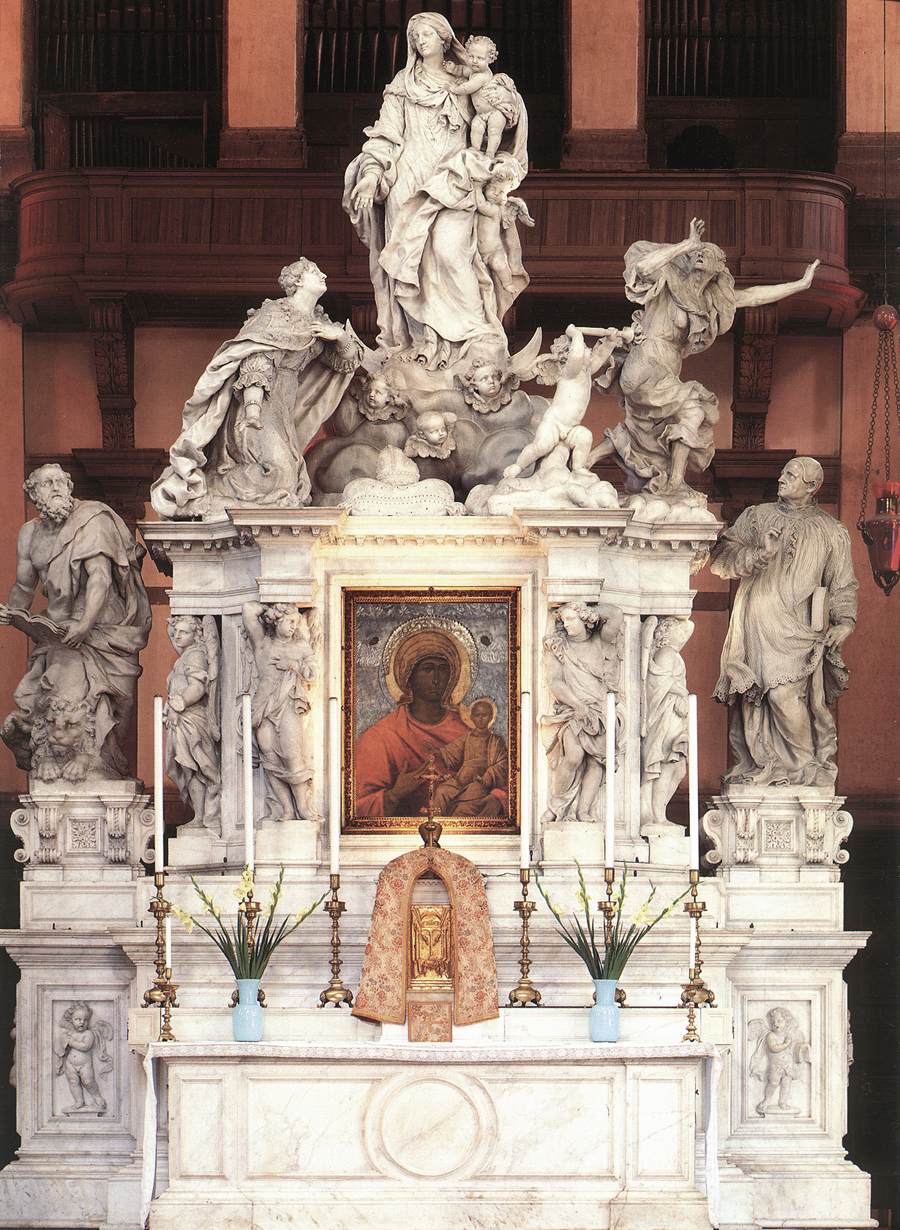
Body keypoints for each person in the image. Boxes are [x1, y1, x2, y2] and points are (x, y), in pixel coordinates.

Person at [343, 13, 528, 366]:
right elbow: (384, 136)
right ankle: (422, 345)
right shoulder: (402, 85)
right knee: (411, 265)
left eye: (427, 34)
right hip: (408, 181)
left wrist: (505, 103)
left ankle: (475, 337)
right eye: (415, 36)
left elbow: (503, 115)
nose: (420, 40)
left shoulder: (467, 79)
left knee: (450, 252)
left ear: (444, 39)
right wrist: (370, 175)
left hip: (453, 177)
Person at [588, 217, 820, 495]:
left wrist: (800, 284)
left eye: (707, 253)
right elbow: (643, 268)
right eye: (697, 251)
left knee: (646, 429)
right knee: (694, 406)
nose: (699, 254)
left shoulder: (708, 301)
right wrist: (686, 243)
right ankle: (675, 482)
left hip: (665, 370)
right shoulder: (668, 280)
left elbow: (753, 296)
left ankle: (588, 461)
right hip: (645, 364)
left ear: (719, 267)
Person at [151, 258, 362, 519]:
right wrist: (252, 411)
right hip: (259, 403)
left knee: (288, 475)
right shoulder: (274, 315)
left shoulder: (318, 321)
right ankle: (210, 491)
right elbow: (256, 360)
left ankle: (217, 491)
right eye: (315, 271)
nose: (324, 275)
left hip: (285, 407)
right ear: (298, 281)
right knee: (279, 474)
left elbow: (344, 362)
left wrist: (339, 336)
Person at [711, 456, 857, 787]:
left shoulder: (832, 531)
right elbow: (719, 561)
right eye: (783, 472)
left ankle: (804, 770)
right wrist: (759, 554)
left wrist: (845, 621)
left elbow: (843, 583)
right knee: (758, 700)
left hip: (798, 629)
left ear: (812, 486)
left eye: (790, 475)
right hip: (755, 624)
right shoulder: (756, 517)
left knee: (784, 696)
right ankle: (769, 766)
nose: (781, 478)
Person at [0, 464, 151, 780]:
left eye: (60, 482)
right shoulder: (29, 534)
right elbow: (24, 587)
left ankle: (102, 763)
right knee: (57, 697)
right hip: (60, 629)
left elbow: (100, 578)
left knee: (110, 700)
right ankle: (61, 763)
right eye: (47, 484)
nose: (56, 488)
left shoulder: (91, 520)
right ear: (33, 494)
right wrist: (12, 613)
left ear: (69, 487)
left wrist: (84, 624)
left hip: (102, 626)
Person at [354, 627, 471, 818]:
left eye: (443, 669)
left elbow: (500, 789)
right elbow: (358, 808)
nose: (436, 679)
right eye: (428, 669)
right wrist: (394, 794)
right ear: (408, 677)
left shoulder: (468, 731)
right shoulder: (381, 737)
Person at [542, 602, 624, 824]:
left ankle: (583, 811)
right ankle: (556, 806)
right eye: (564, 620)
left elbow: (616, 614)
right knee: (573, 756)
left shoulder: (601, 641)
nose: (566, 624)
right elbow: (555, 682)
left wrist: (588, 610)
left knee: (597, 762)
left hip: (601, 711)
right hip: (574, 710)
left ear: (585, 619)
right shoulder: (558, 646)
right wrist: (577, 705)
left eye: (571, 619)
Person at [242, 602, 318, 822]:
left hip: (289, 702)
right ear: (277, 621)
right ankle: (286, 808)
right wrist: (272, 608)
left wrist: (292, 664)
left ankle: (303, 808)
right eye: (290, 621)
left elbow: (313, 674)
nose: (294, 626)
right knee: (269, 755)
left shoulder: (301, 646)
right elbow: (248, 610)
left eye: (297, 622)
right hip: (264, 705)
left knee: (292, 753)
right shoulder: (262, 643)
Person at [165, 615, 220, 832]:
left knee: (196, 766)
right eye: (176, 632)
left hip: (192, 719)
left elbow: (197, 687)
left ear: (196, 635)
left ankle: (204, 815)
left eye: (184, 632)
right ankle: (199, 814)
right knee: (188, 767)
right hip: (181, 719)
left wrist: (178, 704)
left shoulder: (196, 655)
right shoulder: (184, 656)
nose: (177, 636)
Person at [640, 617, 694, 826]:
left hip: (675, 714)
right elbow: (661, 683)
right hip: (666, 715)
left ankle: (659, 813)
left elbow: (690, 626)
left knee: (677, 769)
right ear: (665, 633)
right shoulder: (667, 653)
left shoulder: (673, 653)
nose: (683, 634)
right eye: (677, 631)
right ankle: (658, 817)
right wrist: (684, 694)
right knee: (668, 764)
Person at [445, 36, 522, 158]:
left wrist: (454, 89)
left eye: (480, 58)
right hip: (481, 114)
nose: (474, 61)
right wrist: (454, 69)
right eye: (471, 56)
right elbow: (463, 70)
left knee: (494, 132)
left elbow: (468, 87)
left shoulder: (482, 76)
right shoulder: (473, 71)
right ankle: (475, 148)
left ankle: (490, 152)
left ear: (489, 59)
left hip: (495, 112)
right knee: (476, 127)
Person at [433, 696, 508, 816]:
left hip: (481, 781)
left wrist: (487, 777)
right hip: (460, 780)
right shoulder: (466, 738)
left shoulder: (496, 740)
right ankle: (437, 824)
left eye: (485, 715)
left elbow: (502, 764)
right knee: (442, 791)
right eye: (477, 715)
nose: (481, 718)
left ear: (491, 717)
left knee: (469, 798)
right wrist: (437, 753)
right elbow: (450, 754)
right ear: (472, 717)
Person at [54, 1002, 113, 1114]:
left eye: (85, 1020)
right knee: (73, 1082)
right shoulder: (70, 1033)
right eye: (78, 1019)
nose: (82, 1022)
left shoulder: (88, 1034)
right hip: (70, 1064)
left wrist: (71, 1042)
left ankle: (97, 1097)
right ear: (71, 1020)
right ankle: (79, 1101)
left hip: (85, 1065)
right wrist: (63, 1042)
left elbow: (85, 1046)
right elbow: (61, 1046)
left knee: (88, 1081)